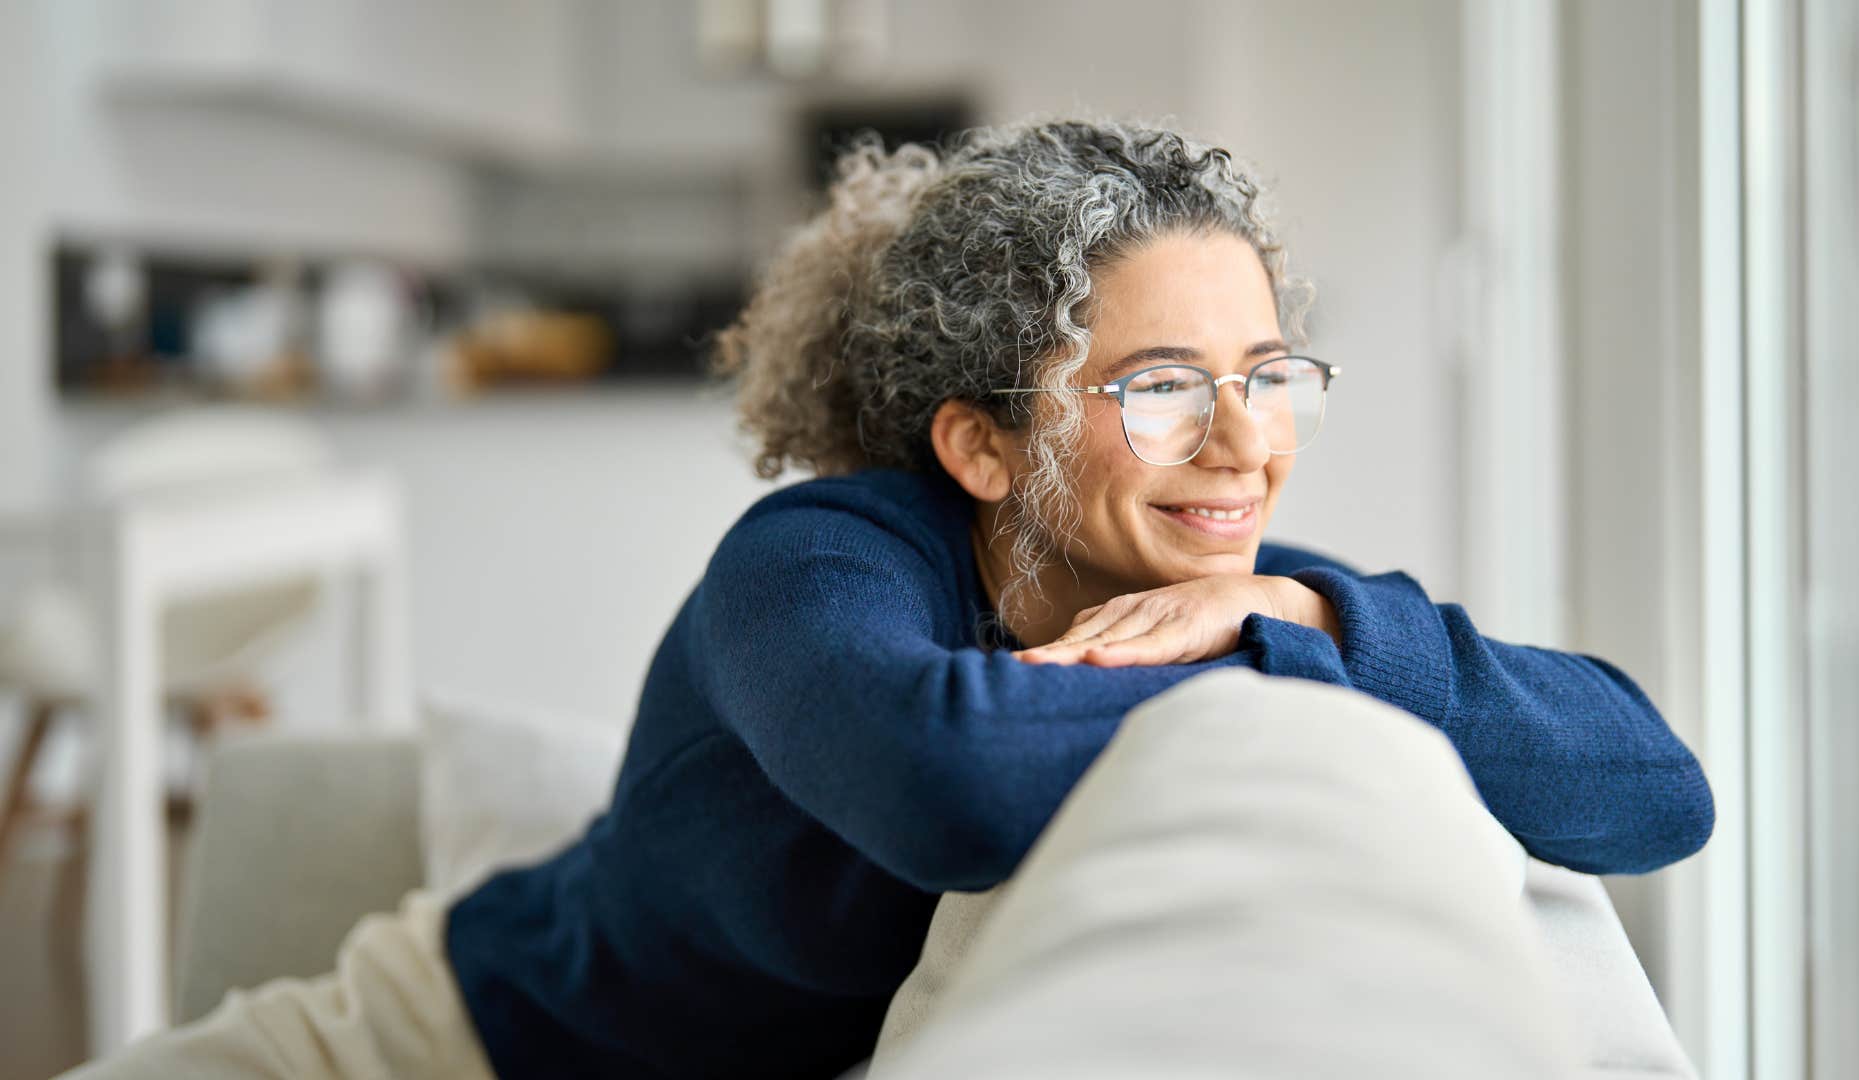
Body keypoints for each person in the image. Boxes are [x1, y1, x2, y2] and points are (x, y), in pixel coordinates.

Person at [67, 119, 1713, 1080]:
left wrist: (1304, 634)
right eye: (1156, 386)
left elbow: (1655, 788)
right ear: (983, 446)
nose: (1242, 441)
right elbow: (947, 780)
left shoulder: (1238, 591)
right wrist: (1254, 652)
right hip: (441, 1051)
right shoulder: (819, 566)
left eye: (1268, 372)